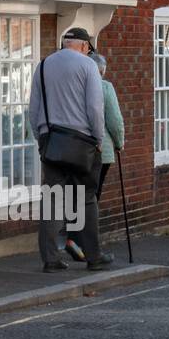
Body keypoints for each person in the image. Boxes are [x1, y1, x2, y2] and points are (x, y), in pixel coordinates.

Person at [28, 27, 113, 272]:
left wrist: (40, 137)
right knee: (86, 198)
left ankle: (51, 260)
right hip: (81, 143)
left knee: (52, 200)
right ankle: (94, 256)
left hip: (51, 140)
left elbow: (32, 109)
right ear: (85, 47)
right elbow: (95, 108)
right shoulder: (87, 66)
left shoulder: (43, 66)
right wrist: (98, 138)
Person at [63, 51, 125, 259]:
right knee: (91, 199)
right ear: (101, 71)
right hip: (100, 151)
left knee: (75, 196)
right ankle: (87, 247)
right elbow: (114, 121)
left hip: (72, 149)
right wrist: (120, 143)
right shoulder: (105, 87)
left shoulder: (72, 87)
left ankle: (73, 239)